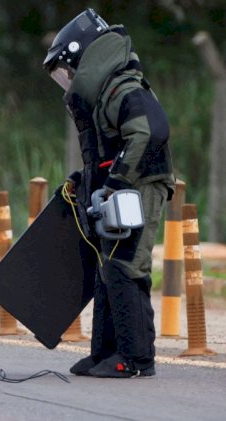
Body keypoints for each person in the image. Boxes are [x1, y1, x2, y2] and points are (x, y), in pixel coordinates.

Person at [43, 8, 175, 378]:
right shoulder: (106, 91)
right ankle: (105, 353)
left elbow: (149, 133)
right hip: (124, 188)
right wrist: (82, 178)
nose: (66, 80)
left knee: (125, 266)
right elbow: (111, 150)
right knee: (107, 268)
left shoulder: (123, 87)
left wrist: (115, 181)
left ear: (84, 57)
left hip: (142, 186)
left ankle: (135, 360)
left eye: (67, 70)